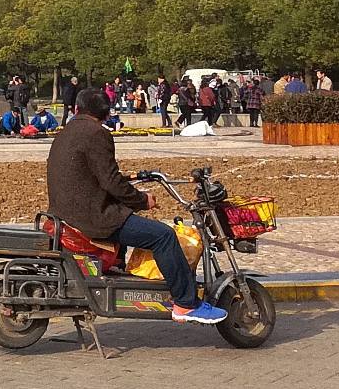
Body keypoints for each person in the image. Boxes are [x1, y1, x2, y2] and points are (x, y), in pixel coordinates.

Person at [46, 90, 225, 324]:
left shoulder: (66, 132)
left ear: (77, 109)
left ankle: (119, 267)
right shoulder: (96, 133)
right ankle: (186, 303)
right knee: (163, 236)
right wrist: (142, 200)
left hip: (65, 212)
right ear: (106, 114)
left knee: (127, 215)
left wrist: (126, 186)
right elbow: (110, 181)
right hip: (91, 217)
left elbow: (95, 174)